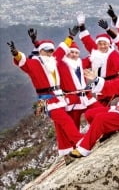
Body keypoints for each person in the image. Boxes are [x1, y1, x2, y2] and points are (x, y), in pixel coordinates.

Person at [8, 29, 83, 157]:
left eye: (51, 50)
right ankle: (81, 142)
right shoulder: (34, 63)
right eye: (46, 50)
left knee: (60, 126)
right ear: (40, 52)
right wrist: (16, 53)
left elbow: (62, 49)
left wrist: (70, 37)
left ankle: (66, 151)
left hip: (59, 97)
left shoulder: (54, 60)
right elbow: (23, 62)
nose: (49, 53)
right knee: (65, 121)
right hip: (48, 100)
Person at [76, 13, 119, 106]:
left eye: (104, 44)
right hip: (98, 82)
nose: (102, 46)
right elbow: (87, 40)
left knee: (115, 102)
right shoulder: (95, 52)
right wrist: (81, 26)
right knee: (101, 103)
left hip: (112, 82)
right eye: (100, 44)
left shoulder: (113, 54)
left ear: (109, 44)